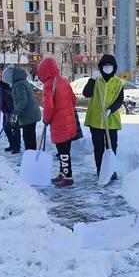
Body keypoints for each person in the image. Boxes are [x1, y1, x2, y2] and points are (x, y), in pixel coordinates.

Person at [37, 57, 77, 187]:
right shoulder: (64, 81)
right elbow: (73, 99)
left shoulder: (49, 84)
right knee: (65, 150)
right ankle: (62, 172)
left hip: (60, 124)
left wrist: (46, 119)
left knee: (63, 151)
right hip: (69, 121)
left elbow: (49, 106)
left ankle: (68, 176)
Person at [83, 54, 125, 179]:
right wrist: (92, 80)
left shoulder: (118, 83)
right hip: (95, 119)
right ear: (101, 67)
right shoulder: (97, 80)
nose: (107, 68)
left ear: (114, 67)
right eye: (105, 65)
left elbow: (119, 100)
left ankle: (110, 169)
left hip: (111, 119)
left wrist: (110, 110)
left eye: (110, 65)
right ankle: (100, 170)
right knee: (98, 147)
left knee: (111, 147)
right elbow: (86, 93)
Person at [10, 67, 41, 151]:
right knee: (31, 136)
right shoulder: (24, 81)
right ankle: (32, 156)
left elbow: (23, 100)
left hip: (28, 115)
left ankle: (30, 157)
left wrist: (16, 111)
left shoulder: (19, 84)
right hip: (32, 113)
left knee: (27, 137)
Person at [0, 66, 21, 154]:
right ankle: (12, 144)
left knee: (15, 128)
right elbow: (1, 101)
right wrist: (5, 112)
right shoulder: (3, 87)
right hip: (6, 111)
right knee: (6, 128)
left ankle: (17, 147)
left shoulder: (14, 85)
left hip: (14, 112)